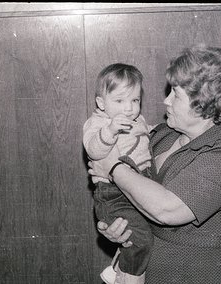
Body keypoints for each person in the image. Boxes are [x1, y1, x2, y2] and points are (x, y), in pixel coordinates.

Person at [88, 45, 221, 283]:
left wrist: (113, 168)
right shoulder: (165, 134)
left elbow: (166, 210)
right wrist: (120, 229)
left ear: (203, 103)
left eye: (175, 94)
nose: (166, 100)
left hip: (201, 274)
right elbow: (137, 197)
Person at [83, 63, 154, 284]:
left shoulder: (136, 119)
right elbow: (93, 149)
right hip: (113, 194)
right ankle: (128, 277)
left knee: (141, 234)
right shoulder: (98, 123)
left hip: (141, 183)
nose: (129, 108)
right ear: (101, 103)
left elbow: (145, 133)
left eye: (135, 100)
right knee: (140, 239)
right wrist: (111, 130)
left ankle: (117, 268)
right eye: (120, 101)